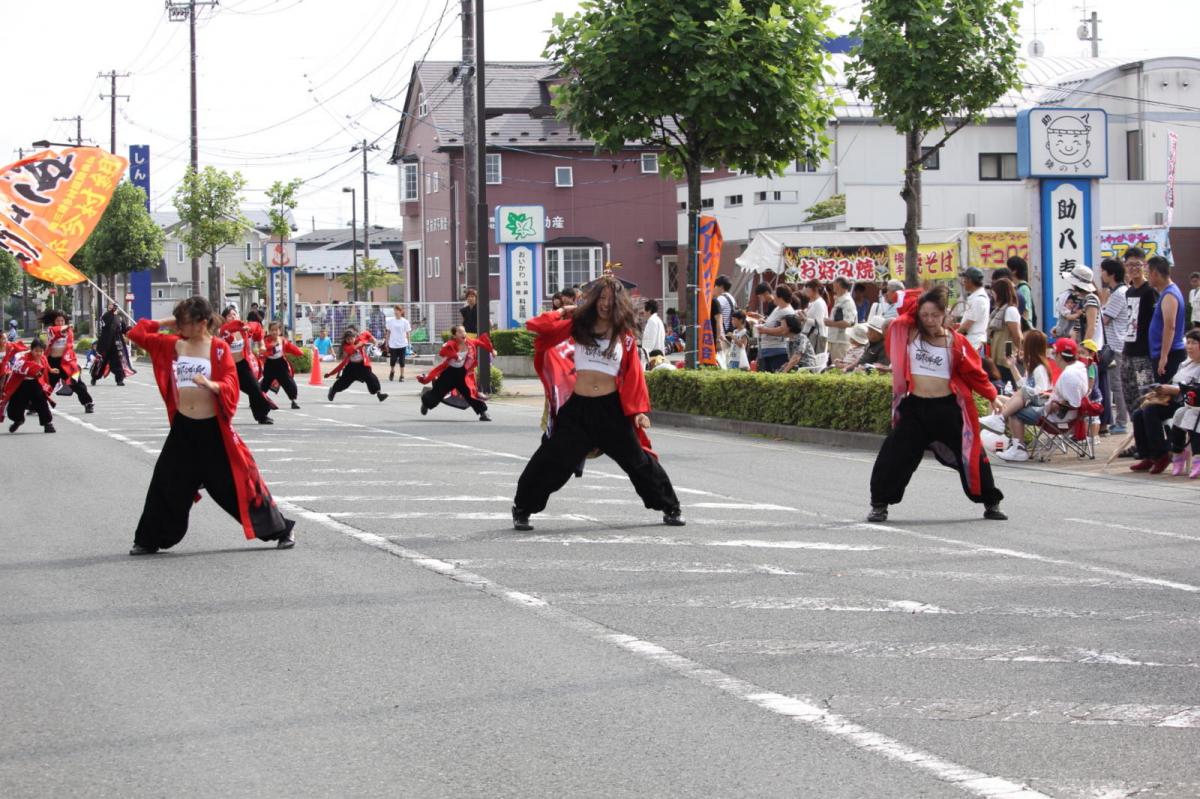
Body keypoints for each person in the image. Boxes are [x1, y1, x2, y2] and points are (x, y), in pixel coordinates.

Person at [127, 297, 295, 555]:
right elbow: (137, 333)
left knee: (235, 488)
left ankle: (282, 530)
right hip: (183, 429)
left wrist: (212, 385)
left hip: (213, 432)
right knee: (165, 482)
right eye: (179, 321)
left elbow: (231, 382)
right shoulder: (176, 344)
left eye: (185, 321)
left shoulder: (218, 348)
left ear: (202, 322)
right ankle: (149, 540)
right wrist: (169, 321)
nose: (180, 326)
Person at [513, 274, 682, 530]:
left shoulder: (624, 335)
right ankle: (523, 508)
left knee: (638, 461)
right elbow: (536, 326)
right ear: (593, 300)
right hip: (578, 409)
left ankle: (670, 506)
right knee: (551, 459)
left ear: (618, 303)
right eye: (601, 298)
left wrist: (638, 412)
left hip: (611, 410)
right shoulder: (578, 325)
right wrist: (564, 311)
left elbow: (634, 375)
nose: (605, 303)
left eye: (610, 299)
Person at [866, 285, 1005, 522]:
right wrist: (918, 303)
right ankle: (879, 504)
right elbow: (903, 309)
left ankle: (991, 502)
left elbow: (975, 373)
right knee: (893, 455)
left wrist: (992, 395)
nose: (929, 320)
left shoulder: (956, 342)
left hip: (947, 409)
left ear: (944, 314)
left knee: (972, 454)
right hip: (915, 408)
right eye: (925, 315)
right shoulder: (908, 334)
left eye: (935, 315)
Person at [990, 338, 1089, 462]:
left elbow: (1072, 403)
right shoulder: (1078, 369)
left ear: (1059, 355)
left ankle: (1015, 445)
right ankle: (1000, 425)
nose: (1052, 356)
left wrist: (1051, 403)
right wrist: (1013, 367)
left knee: (1014, 409)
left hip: (1055, 416)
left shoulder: (1065, 374)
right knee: (1015, 396)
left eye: (1054, 353)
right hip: (1056, 409)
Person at [1129, 328, 1200, 474]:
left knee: (1150, 411)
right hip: (1173, 399)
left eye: (1194, 343)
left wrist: (1170, 389)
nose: (1189, 346)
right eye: (1188, 342)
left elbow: (1194, 390)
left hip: (1189, 404)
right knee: (1138, 413)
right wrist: (1160, 390)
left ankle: (1161, 455)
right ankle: (1148, 456)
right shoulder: (1185, 363)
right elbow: (1175, 382)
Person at [980, 329, 1053, 442]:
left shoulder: (1040, 369)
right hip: (1029, 402)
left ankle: (999, 421)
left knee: (1015, 406)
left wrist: (1023, 395)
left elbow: (1042, 394)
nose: (1021, 348)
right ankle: (992, 432)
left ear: (1030, 347)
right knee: (996, 399)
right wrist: (1012, 366)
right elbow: (1022, 387)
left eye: (1024, 344)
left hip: (1039, 408)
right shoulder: (1031, 366)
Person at [417, 326, 493, 420]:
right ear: (454, 335)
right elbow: (443, 351)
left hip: (462, 374)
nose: (463, 334)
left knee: (470, 393)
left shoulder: (469, 343)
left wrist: (492, 350)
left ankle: (483, 413)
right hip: (449, 373)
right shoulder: (451, 344)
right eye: (460, 332)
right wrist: (455, 355)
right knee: (437, 392)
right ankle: (426, 404)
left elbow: (481, 342)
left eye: (464, 331)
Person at [1120, 248, 1159, 423]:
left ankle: (1150, 436)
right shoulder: (1129, 292)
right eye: (1130, 265)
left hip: (1143, 355)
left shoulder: (1150, 291)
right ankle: (1138, 434)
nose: (1133, 268)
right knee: (1130, 397)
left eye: (1137, 264)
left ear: (1144, 265)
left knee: (1146, 395)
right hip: (1127, 351)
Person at [218, 306, 275, 424]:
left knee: (255, 388)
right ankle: (219, 417)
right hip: (227, 368)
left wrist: (261, 344)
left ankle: (262, 416)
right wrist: (240, 326)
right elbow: (228, 330)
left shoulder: (244, 329)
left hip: (242, 365)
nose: (233, 317)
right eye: (229, 315)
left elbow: (257, 327)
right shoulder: (223, 331)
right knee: (225, 393)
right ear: (224, 319)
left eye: (234, 314)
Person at [41, 309, 94, 413]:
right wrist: (67, 326)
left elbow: (68, 340)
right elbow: (56, 331)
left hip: (67, 362)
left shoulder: (69, 331)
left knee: (77, 382)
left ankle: (88, 403)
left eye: (62, 321)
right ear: (54, 322)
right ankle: (35, 405)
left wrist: (67, 328)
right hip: (52, 362)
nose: (60, 322)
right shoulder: (51, 330)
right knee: (46, 383)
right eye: (58, 320)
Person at [1100, 259, 1131, 434]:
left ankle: (1121, 422)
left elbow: (1104, 319)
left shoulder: (1119, 294)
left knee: (1117, 384)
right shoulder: (1119, 292)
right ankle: (1120, 421)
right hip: (1117, 344)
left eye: (1103, 271)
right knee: (1116, 383)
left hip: (1116, 345)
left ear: (1111, 274)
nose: (1101, 274)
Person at [1146, 255, 1187, 383]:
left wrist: (1164, 356)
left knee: (1164, 392)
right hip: (1162, 353)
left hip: (1170, 354)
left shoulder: (1170, 294)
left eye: (1148, 273)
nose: (1147, 277)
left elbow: (1170, 326)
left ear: (1155, 273)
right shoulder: (1166, 293)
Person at [1, 338, 54, 433]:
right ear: (31, 349)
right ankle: (18, 420)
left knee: (42, 403)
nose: (39, 353)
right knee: (14, 408)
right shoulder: (24, 357)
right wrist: (33, 370)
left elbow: (46, 366)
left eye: (41, 351)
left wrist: (51, 370)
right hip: (22, 385)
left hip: (36, 384)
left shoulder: (43, 358)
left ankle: (47, 424)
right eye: (36, 351)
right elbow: (18, 366)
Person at [325, 328, 388, 402]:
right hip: (351, 367)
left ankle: (379, 393)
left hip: (362, 366)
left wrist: (373, 340)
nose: (350, 340)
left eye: (351, 338)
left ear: (355, 337)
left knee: (371, 378)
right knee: (343, 382)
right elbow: (352, 349)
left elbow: (366, 333)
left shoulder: (360, 338)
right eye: (347, 339)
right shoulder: (345, 346)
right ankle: (333, 390)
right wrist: (360, 344)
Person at [748, 285, 796, 373]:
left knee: (776, 375)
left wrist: (764, 330)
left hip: (778, 350)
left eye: (774, 294)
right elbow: (772, 324)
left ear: (780, 297)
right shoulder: (778, 308)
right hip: (769, 349)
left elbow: (783, 330)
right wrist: (763, 323)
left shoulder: (787, 311)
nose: (773, 296)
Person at [986, 278, 1022, 389]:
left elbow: (1016, 336)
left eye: (994, 293)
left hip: (1006, 355)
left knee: (1008, 385)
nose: (993, 296)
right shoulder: (999, 310)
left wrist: (1020, 351)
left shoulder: (1010, 310)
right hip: (998, 355)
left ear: (1000, 293)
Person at [258, 320, 303, 410]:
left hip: (281, 364)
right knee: (265, 383)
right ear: (269, 331)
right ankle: (257, 399)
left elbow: (290, 347)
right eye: (272, 330)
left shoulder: (282, 340)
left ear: (279, 331)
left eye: (276, 330)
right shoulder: (266, 340)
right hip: (270, 364)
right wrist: (272, 345)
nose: (274, 332)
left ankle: (293, 401)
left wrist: (299, 352)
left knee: (289, 382)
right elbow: (265, 349)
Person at [953, 267, 989, 355]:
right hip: (972, 342)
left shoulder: (978, 300)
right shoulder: (976, 297)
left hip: (974, 344)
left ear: (970, 280)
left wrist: (952, 336)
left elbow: (966, 327)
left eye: (964, 279)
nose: (963, 282)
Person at [93, 302, 129, 386]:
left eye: (113, 307)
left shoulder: (120, 318)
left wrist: (130, 329)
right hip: (105, 343)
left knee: (117, 362)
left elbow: (124, 330)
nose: (111, 309)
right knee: (101, 362)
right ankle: (95, 377)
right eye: (109, 308)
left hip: (116, 343)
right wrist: (111, 311)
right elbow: (106, 323)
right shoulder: (105, 317)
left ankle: (119, 379)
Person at [826, 276, 859, 365]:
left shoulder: (847, 301)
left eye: (834, 283)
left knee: (840, 366)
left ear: (838, 284)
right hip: (836, 339)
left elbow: (848, 322)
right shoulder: (841, 299)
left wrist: (830, 323)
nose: (833, 284)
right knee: (835, 365)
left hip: (842, 341)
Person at [385, 304, 412, 382]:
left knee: (402, 360)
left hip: (403, 344)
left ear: (401, 311)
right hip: (393, 344)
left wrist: (409, 343)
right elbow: (388, 332)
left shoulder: (405, 321)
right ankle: (392, 371)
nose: (396, 312)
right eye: (395, 310)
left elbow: (407, 333)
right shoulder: (390, 321)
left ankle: (402, 375)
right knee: (393, 359)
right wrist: (386, 342)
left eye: (397, 310)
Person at [801, 280, 829, 354]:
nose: (806, 289)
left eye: (809, 287)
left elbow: (819, 323)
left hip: (815, 337)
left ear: (816, 289)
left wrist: (805, 319)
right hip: (811, 336)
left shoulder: (819, 303)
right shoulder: (814, 302)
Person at [1009, 256, 1036, 330]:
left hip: (1024, 328)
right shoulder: (1016, 287)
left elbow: (1026, 311)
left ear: (1014, 271)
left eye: (1008, 268)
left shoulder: (1023, 288)